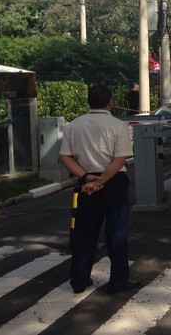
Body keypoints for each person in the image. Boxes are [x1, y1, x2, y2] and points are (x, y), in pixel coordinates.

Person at [59, 85, 139, 295]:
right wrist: (101, 180)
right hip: (113, 182)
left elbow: (64, 156)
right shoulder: (118, 126)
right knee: (116, 233)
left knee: (84, 233)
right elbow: (119, 159)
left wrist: (86, 177)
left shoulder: (73, 126)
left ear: (88, 102)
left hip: (85, 184)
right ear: (110, 102)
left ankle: (79, 280)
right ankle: (118, 281)